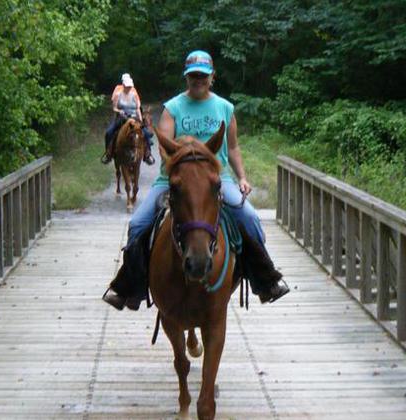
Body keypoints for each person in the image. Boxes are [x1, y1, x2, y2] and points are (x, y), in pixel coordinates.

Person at [102, 50, 289, 310]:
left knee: (250, 218)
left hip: (216, 179)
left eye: (203, 75)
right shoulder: (173, 108)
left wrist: (242, 177)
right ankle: (131, 287)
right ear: (186, 78)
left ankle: (264, 280)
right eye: (193, 76)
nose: (198, 80)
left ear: (212, 77)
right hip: (175, 180)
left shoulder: (225, 108)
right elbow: (165, 149)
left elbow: (232, 147)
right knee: (138, 224)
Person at [101, 73, 155, 165]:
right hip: (122, 117)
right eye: (127, 86)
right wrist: (119, 111)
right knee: (109, 132)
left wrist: (141, 120)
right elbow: (114, 107)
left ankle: (147, 154)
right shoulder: (118, 93)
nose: (129, 88)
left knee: (146, 133)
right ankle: (108, 153)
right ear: (124, 85)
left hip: (133, 117)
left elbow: (138, 108)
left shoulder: (134, 94)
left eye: (130, 86)